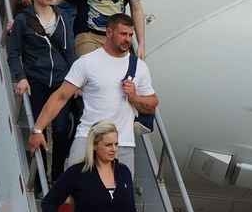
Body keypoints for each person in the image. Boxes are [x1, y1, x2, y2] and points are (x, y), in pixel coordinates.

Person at [28, 14, 156, 173]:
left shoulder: (140, 67)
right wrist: (38, 130)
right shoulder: (87, 62)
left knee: (120, 190)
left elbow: (152, 104)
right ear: (109, 32)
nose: (128, 39)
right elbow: (60, 97)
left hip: (122, 143)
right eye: (123, 34)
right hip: (87, 139)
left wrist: (134, 97)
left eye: (131, 35)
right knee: (74, 187)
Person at [8, 0, 76, 175]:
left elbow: (70, 50)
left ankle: (56, 173)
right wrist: (20, 77)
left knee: (62, 129)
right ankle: (37, 179)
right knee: (38, 130)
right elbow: (14, 52)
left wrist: (76, 79)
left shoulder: (62, 17)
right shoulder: (23, 19)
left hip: (61, 80)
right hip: (37, 80)